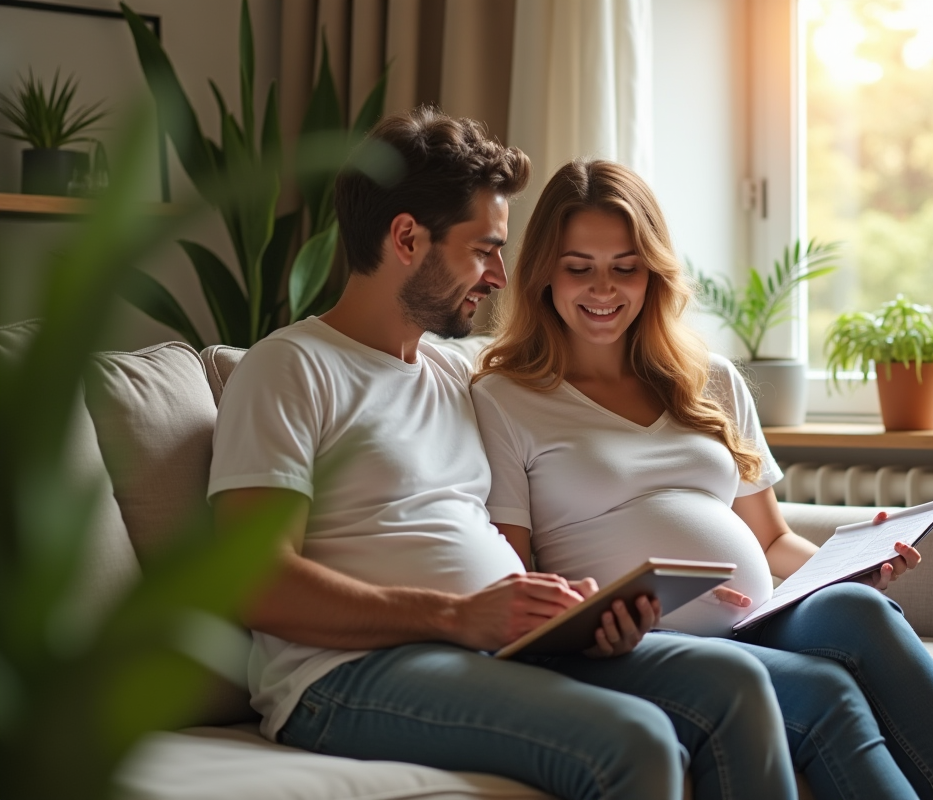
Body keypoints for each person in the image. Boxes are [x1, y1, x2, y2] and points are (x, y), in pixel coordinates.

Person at [207, 110, 799, 800]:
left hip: (497, 650)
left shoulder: (459, 377)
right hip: (346, 675)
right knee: (634, 740)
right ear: (406, 237)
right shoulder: (291, 368)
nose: (499, 275)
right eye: (484, 249)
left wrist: (586, 618)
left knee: (735, 683)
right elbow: (253, 583)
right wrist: (455, 615)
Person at [471, 158, 933, 800]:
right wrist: (598, 615)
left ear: (654, 272)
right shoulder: (508, 398)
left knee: (860, 608)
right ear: (543, 276)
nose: (603, 289)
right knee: (825, 692)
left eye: (625, 267)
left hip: (757, 618)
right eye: (578, 267)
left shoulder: (710, 380)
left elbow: (774, 540)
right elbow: (514, 568)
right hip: (637, 641)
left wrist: (850, 564)